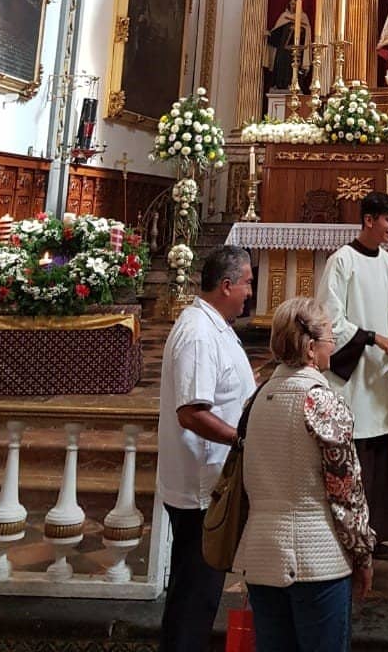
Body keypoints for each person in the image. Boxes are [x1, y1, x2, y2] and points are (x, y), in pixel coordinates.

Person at [234, 296, 374, 652]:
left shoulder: (256, 399)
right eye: (329, 336)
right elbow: (346, 491)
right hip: (317, 561)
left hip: (262, 554)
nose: (333, 344)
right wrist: (362, 553)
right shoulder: (322, 402)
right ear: (311, 348)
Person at [156, 246, 256, 652]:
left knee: (198, 593)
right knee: (194, 596)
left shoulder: (214, 324)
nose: (251, 292)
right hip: (201, 487)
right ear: (226, 285)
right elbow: (191, 413)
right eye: (247, 283)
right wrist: (241, 440)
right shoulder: (198, 333)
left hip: (210, 482)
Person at [317, 190, 388, 560]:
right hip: (354, 373)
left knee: (381, 453)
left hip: (379, 375)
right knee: (356, 455)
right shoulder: (342, 261)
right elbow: (330, 318)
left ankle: (375, 532)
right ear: (369, 220)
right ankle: (349, 533)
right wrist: (372, 338)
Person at [264, 0, 313, 92]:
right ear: (289, 4)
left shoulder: (303, 17)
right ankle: (279, 84)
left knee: (293, 67)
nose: (293, 6)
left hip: (297, 49)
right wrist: (270, 34)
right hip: (283, 49)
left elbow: (307, 34)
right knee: (281, 66)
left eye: (295, 5)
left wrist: (299, 30)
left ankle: (294, 85)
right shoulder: (284, 16)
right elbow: (277, 32)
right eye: (292, 4)